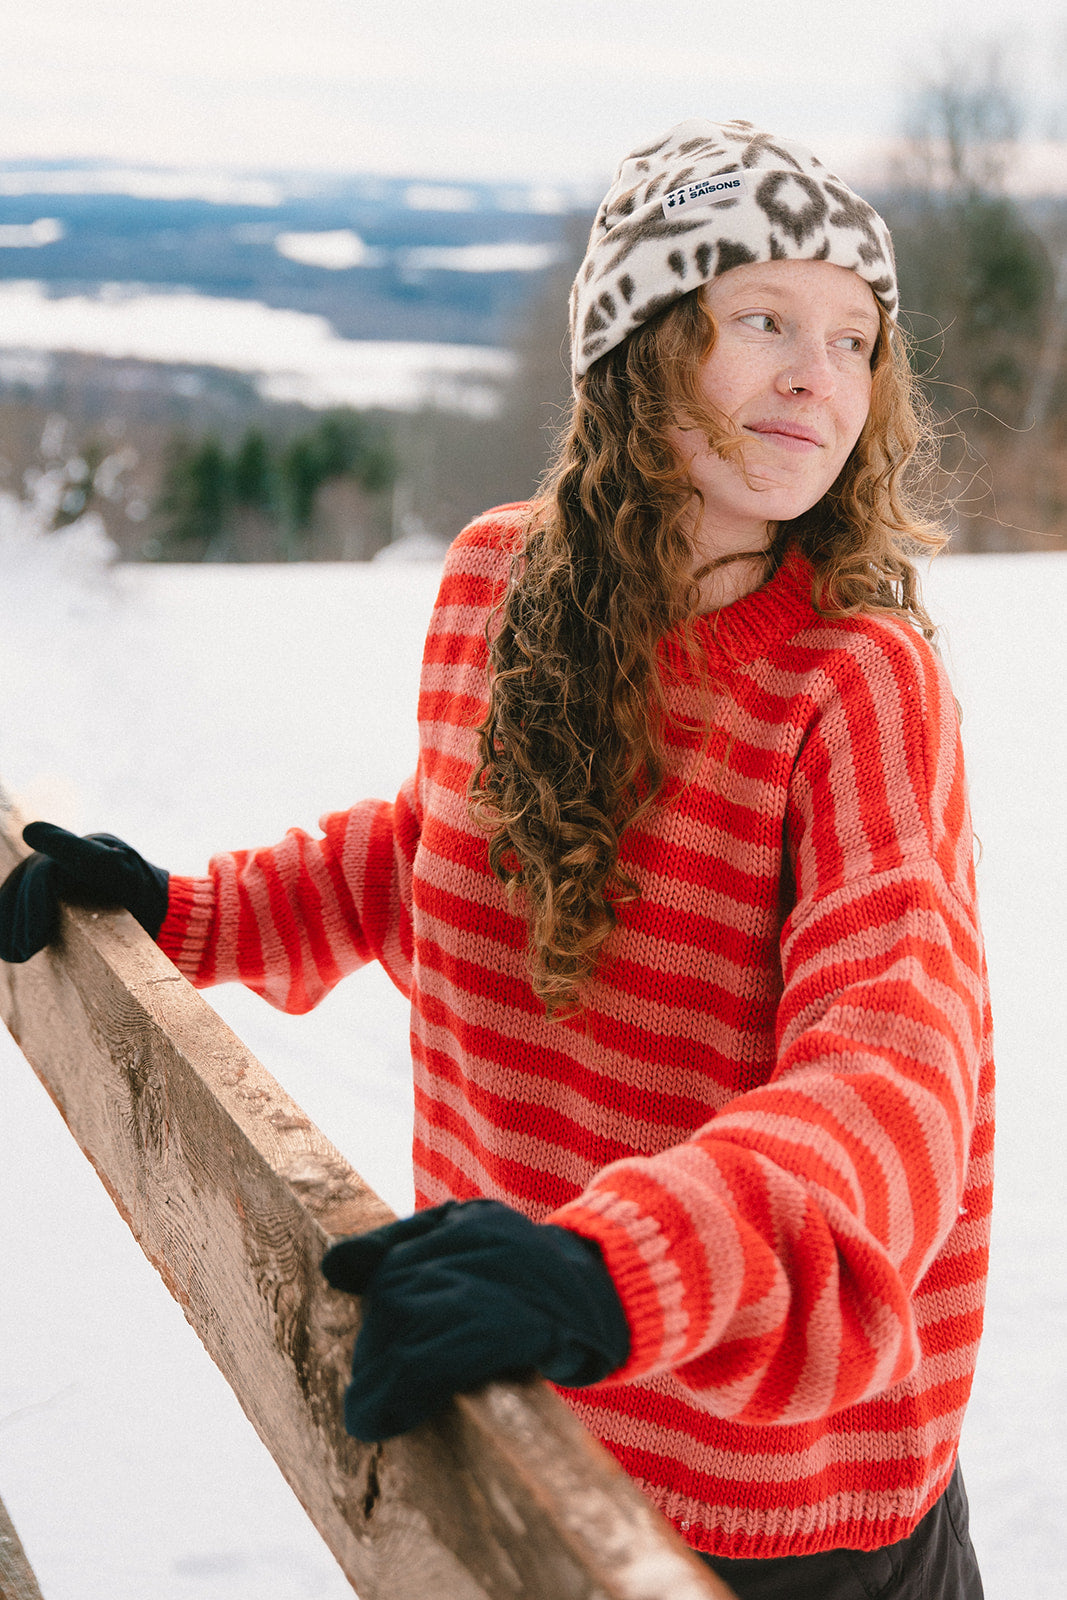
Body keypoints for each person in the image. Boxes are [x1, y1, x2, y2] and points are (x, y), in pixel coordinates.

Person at [0, 119, 991, 1598]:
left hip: (777, 1509)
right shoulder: (494, 584)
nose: (819, 377)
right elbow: (439, 852)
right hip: (530, 1417)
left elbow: (894, 1056)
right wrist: (188, 912)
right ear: (641, 342)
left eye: (855, 339)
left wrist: (613, 1267)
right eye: (765, 319)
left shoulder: (854, 681)